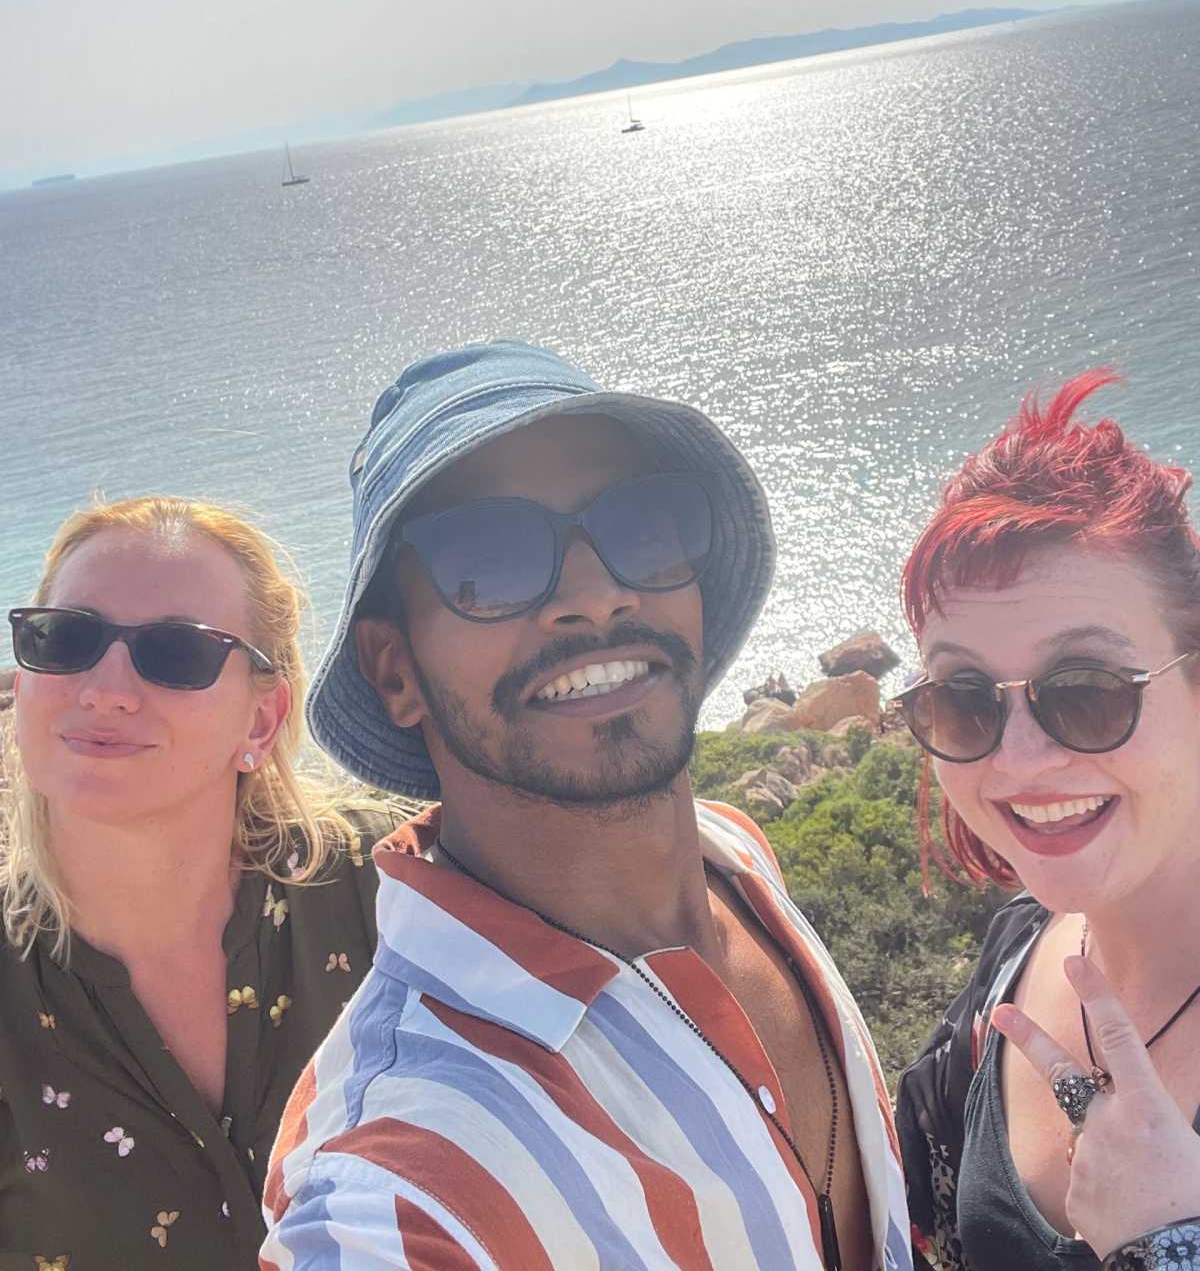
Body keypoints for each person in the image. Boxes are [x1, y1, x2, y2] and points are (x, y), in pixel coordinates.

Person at [260, 339, 912, 1271]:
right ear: (394, 670)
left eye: (641, 526)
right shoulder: (394, 1184)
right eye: (487, 559)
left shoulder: (735, 856)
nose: (597, 596)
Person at [0, 496, 411, 1269]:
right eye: (66, 639)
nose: (106, 688)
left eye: (177, 652)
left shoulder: (396, 887)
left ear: (260, 722)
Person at [894, 371, 1200, 1271]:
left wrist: (1169, 1247)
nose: (1020, 762)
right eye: (964, 697)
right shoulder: (1014, 958)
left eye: (1088, 689)